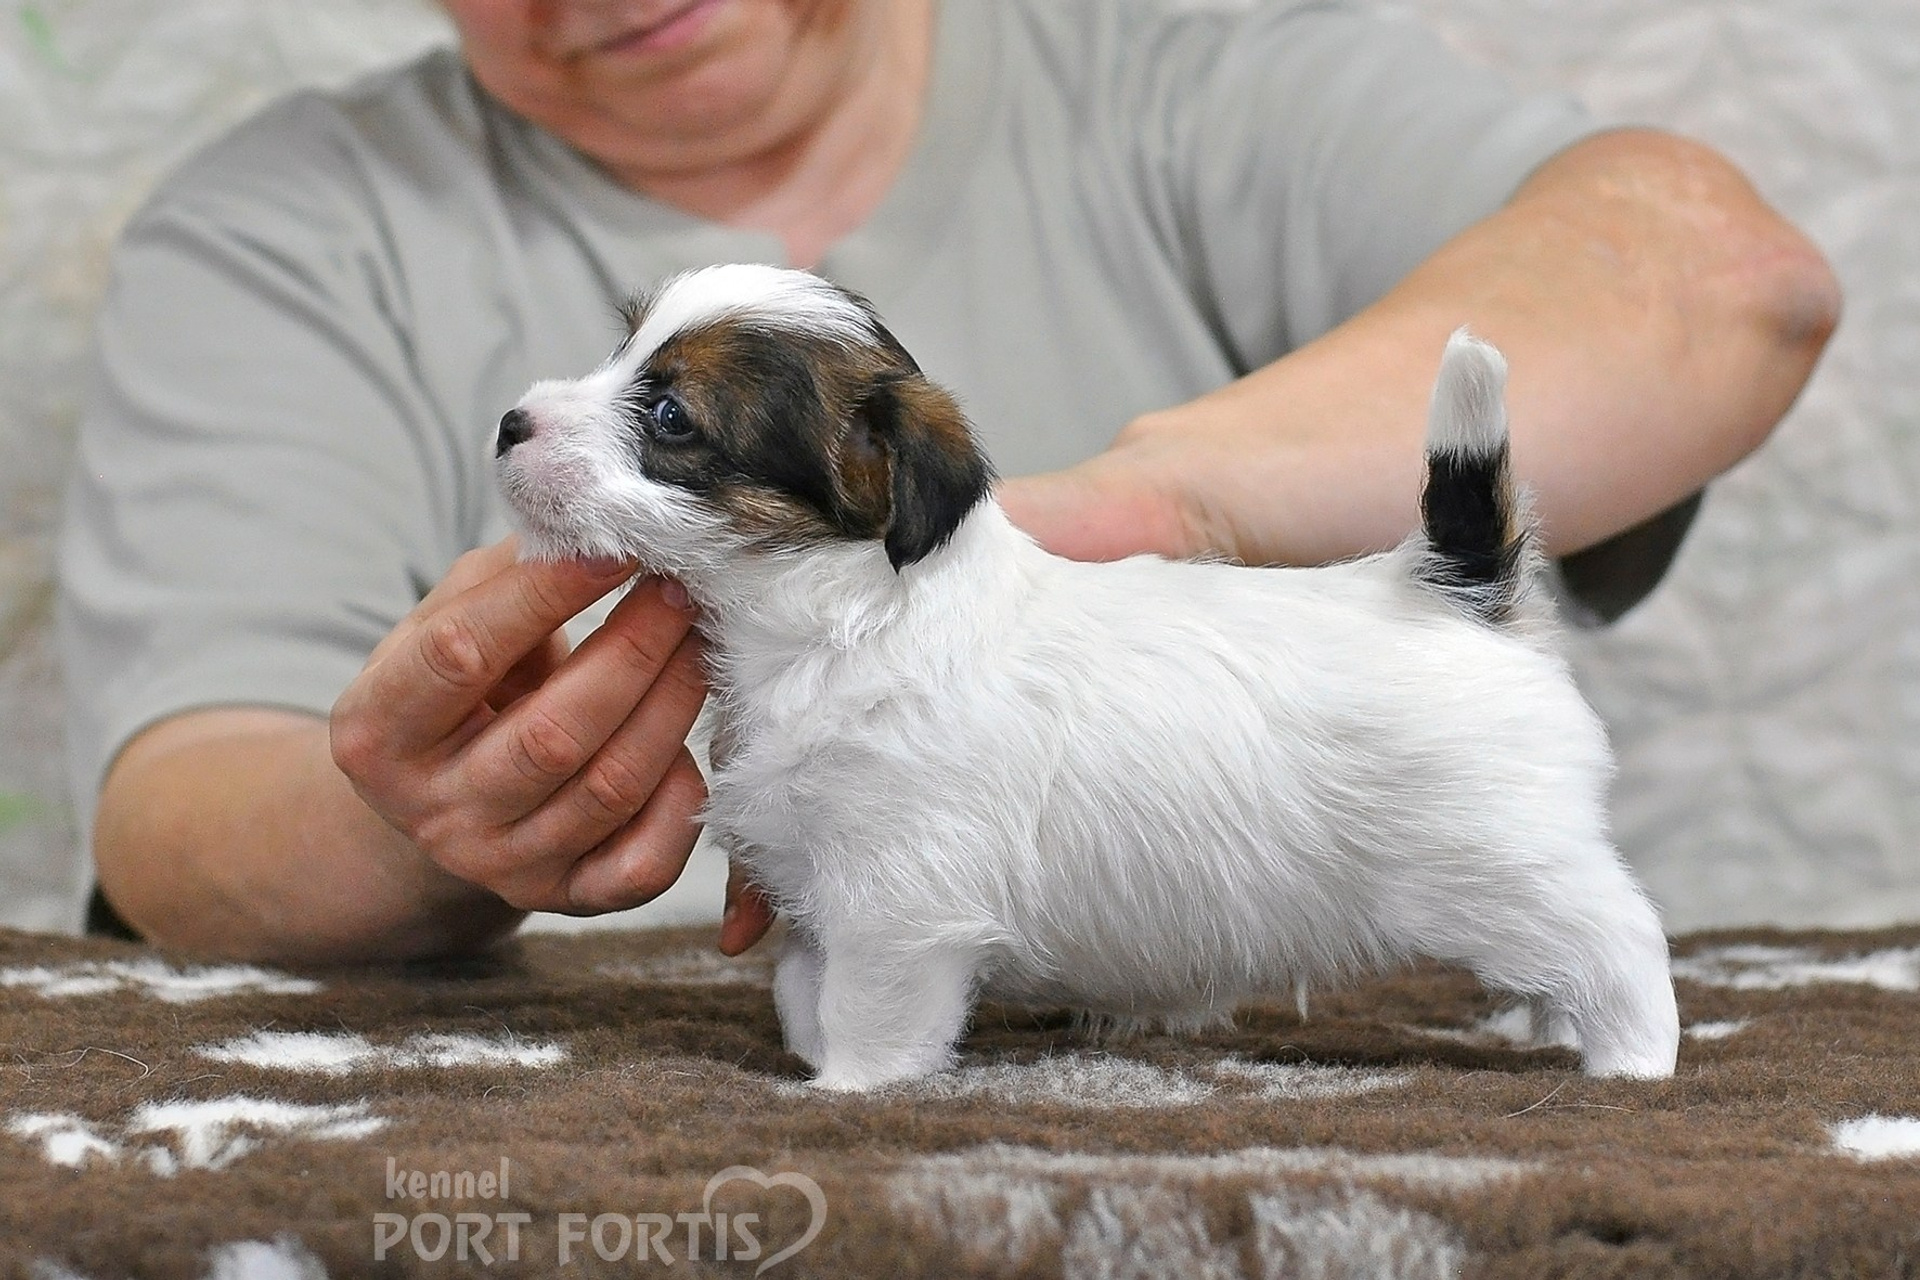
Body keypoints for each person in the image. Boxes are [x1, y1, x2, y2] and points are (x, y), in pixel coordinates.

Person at [59, 0, 1838, 964]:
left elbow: (1720, 279)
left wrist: (1159, 519)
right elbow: (177, 823)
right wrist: (425, 818)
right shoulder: (282, 225)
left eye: (661, 410)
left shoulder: (1175, 63)